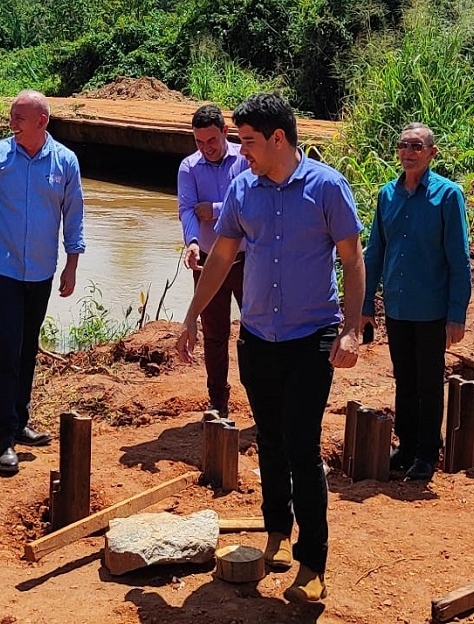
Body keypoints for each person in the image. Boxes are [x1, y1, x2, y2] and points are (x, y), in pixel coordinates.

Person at [176, 91, 364, 607]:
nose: (242, 151)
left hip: (311, 338)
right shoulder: (243, 189)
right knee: (272, 442)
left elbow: (352, 260)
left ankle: (312, 563)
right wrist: (191, 317)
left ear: (278, 138)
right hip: (258, 339)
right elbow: (220, 259)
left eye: (249, 141)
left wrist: (351, 329)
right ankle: (277, 530)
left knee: (302, 446)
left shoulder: (326, 187)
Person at [0, 90, 85, 475]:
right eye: (12, 116)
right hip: (3, 269)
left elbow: (74, 216)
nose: (12, 123)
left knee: (27, 349)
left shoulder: (65, 161)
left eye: (19, 117)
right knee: (6, 351)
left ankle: (20, 421)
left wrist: (71, 265)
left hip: (41, 270)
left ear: (41, 122)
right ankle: (3, 437)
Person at [362, 122, 472, 483]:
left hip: (431, 310)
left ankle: (426, 454)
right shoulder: (387, 195)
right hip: (397, 306)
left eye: (416, 147)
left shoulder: (448, 195)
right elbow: (374, 252)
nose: (408, 153)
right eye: (403, 146)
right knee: (404, 379)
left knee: (428, 382)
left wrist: (456, 314)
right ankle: (407, 447)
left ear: (431, 153)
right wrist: (365, 305)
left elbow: (459, 259)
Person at [177, 103, 246, 417]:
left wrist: (215, 209)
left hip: (247, 260)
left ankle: (262, 397)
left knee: (256, 331)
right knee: (214, 333)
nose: (206, 148)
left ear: (225, 132)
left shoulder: (245, 159)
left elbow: (248, 204)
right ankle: (218, 401)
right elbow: (187, 209)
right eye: (199, 142)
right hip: (207, 259)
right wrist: (192, 242)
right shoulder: (189, 167)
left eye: (212, 141)